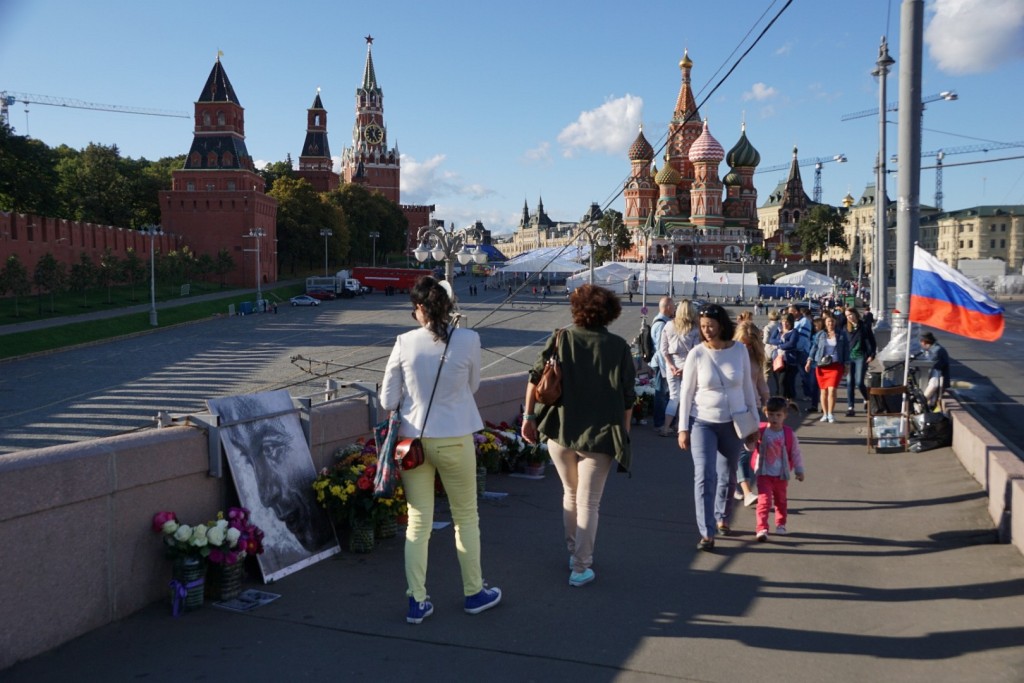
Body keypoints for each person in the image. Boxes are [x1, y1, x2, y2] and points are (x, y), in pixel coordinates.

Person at [381, 276, 502, 624]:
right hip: (456, 437)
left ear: (419, 308)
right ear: (448, 306)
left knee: (417, 523)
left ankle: (416, 602)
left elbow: (388, 400)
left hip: (413, 443)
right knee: (466, 517)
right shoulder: (469, 339)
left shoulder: (404, 342)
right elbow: (474, 385)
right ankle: (474, 592)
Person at [522, 284, 635, 587]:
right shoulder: (620, 347)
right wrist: (624, 435)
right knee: (590, 502)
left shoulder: (562, 338)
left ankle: (574, 553)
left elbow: (535, 379)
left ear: (577, 310)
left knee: (569, 494)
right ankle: (581, 567)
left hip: (560, 430)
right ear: (610, 313)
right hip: (601, 436)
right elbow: (627, 398)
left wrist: (528, 417)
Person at [676, 304, 759, 551]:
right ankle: (706, 531)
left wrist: (753, 422)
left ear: (721, 324)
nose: (707, 330)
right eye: (702, 327)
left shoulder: (740, 351)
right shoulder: (697, 354)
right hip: (702, 422)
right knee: (704, 475)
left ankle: (723, 515)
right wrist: (683, 428)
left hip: (733, 421)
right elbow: (686, 393)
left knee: (729, 472)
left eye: (710, 325)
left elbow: (747, 388)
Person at [751, 396, 805, 541]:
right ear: (765, 413)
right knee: (764, 501)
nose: (774, 418)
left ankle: (780, 523)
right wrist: (751, 439)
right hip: (764, 473)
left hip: (781, 474)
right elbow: (749, 447)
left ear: (785, 416)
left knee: (781, 500)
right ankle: (761, 528)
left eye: (778, 415)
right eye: (770, 414)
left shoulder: (788, 434)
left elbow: (795, 452)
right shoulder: (761, 430)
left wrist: (799, 469)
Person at [733, 320, 769, 508]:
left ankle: (732, 482)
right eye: (743, 343)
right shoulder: (730, 355)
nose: (745, 347)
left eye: (749, 343)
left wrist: (767, 400)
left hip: (753, 406)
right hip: (736, 408)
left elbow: (760, 381)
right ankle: (747, 491)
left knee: (749, 447)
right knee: (742, 452)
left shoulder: (755, 357)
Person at [659, 299, 700, 437]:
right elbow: (695, 351)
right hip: (687, 363)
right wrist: (684, 368)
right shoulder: (694, 328)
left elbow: (663, 349)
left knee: (673, 396)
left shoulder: (669, 325)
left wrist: (671, 365)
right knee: (686, 396)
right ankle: (680, 426)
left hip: (671, 362)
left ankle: (665, 427)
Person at [806, 314, 849, 423]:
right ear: (825, 323)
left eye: (832, 321)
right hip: (821, 365)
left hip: (835, 365)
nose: (831, 324)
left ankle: (830, 413)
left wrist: (847, 365)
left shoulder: (841, 334)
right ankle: (825, 413)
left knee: (832, 389)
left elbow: (846, 350)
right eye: (828, 322)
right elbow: (814, 348)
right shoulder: (820, 334)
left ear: (835, 322)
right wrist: (809, 360)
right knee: (823, 391)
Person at [844, 307, 877, 416]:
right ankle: (850, 407)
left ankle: (868, 399)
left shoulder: (864, 326)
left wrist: (872, 354)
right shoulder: (846, 328)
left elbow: (872, 341)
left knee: (859, 382)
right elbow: (843, 343)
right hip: (849, 357)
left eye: (851, 314)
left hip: (861, 356)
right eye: (847, 316)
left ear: (856, 314)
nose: (849, 317)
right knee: (850, 382)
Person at [649, 296, 675, 432]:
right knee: (660, 394)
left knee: (664, 394)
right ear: (668, 307)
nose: (675, 308)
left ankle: (663, 422)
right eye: (674, 306)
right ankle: (659, 423)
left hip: (661, 363)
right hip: (661, 364)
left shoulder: (662, 321)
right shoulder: (661, 324)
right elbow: (661, 349)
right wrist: (667, 367)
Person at [920, 331, 951, 409]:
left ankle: (922, 403)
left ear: (924, 342)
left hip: (939, 378)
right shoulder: (934, 348)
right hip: (938, 376)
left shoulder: (936, 351)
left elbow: (931, 366)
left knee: (931, 384)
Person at [776, 314, 801, 401]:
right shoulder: (779, 331)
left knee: (786, 381)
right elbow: (771, 339)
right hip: (780, 359)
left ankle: (786, 398)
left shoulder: (794, 332)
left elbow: (791, 344)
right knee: (781, 381)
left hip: (790, 360)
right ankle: (785, 398)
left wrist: (780, 346)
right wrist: (781, 342)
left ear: (791, 323)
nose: (785, 324)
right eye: (783, 321)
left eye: (787, 322)